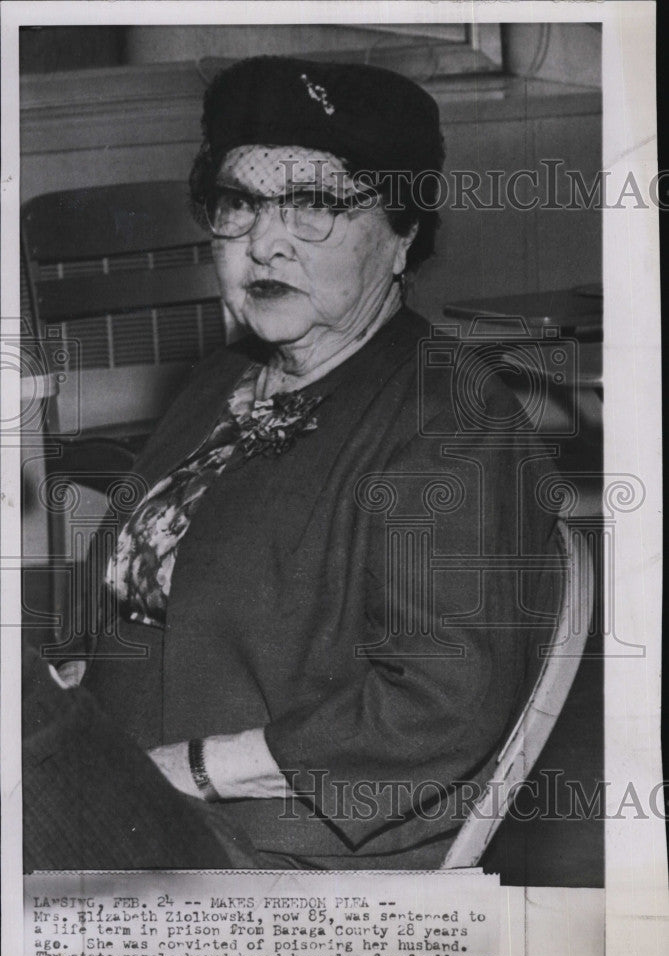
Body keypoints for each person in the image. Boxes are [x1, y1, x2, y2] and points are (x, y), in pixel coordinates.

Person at [35, 55, 562, 870]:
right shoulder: (224, 378)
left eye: (314, 204)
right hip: (130, 785)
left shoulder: (448, 421)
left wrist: (184, 772)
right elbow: (141, 591)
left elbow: (436, 704)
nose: (265, 244)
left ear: (401, 234)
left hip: (279, 846)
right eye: (239, 204)